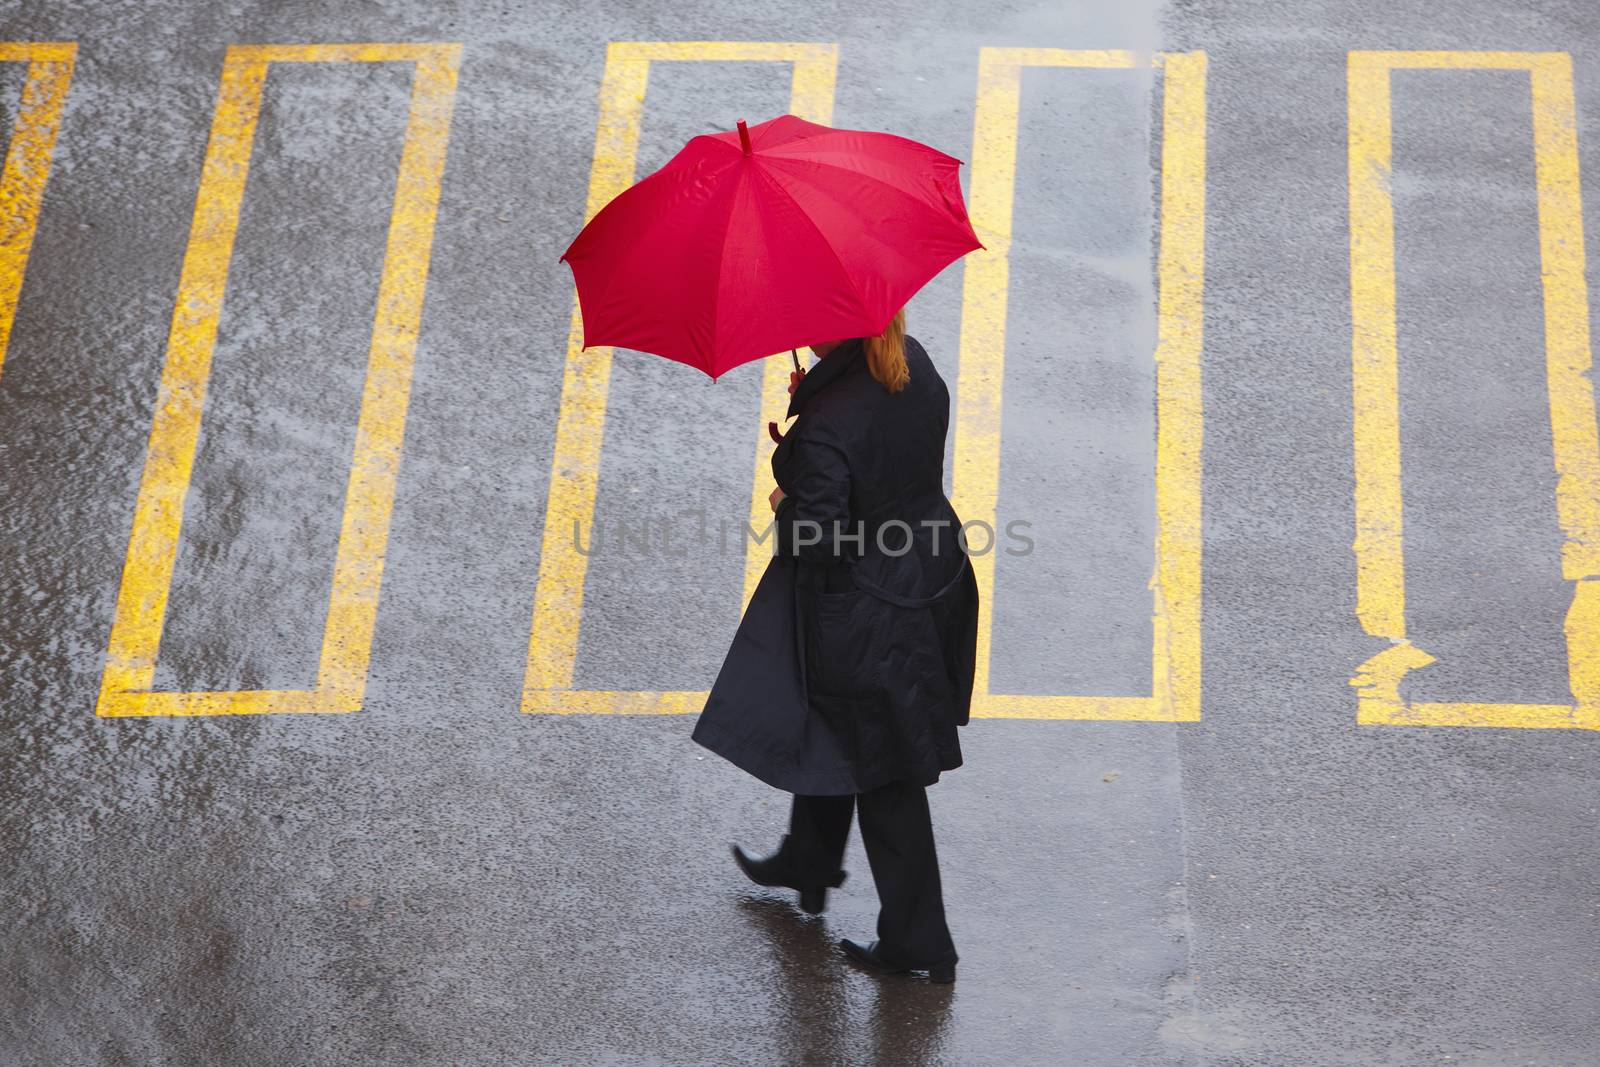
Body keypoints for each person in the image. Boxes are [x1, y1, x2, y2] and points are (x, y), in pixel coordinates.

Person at [691, 308, 979, 985]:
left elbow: (818, 537)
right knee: (840, 725)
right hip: (929, 575)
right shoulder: (915, 362)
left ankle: (920, 942)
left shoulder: (831, 421)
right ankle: (809, 860)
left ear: (828, 329)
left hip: (869, 613)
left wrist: (786, 495)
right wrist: (814, 406)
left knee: (884, 772)